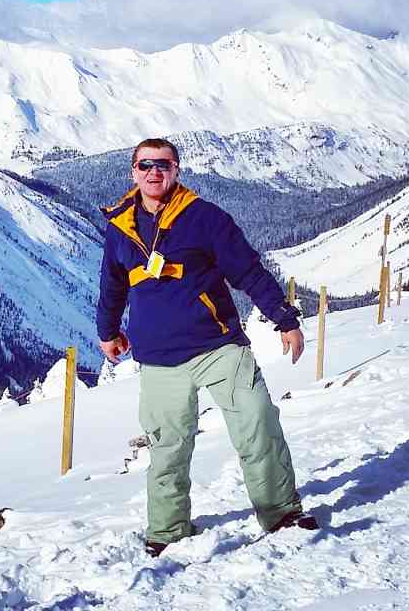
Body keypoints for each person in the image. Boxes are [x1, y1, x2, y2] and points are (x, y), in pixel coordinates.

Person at [96, 137, 317, 557]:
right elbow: (112, 283)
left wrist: (284, 319)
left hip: (219, 347)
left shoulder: (204, 217)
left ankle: (281, 514)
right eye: (145, 165)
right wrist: (108, 331)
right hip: (159, 358)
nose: (154, 172)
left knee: (257, 425)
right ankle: (166, 532)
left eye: (163, 165)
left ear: (176, 170)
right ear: (133, 172)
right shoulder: (119, 226)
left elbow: (248, 271)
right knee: (167, 449)